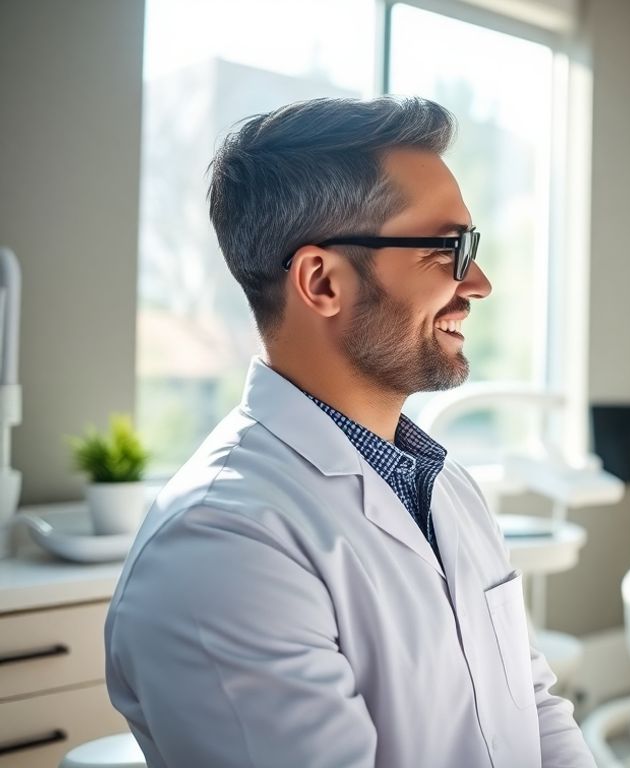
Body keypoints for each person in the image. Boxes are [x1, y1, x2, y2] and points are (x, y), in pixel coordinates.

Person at [104, 96, 594, 768]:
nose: (477, 282)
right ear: (322, 281)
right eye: (448, 249)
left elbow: (532, 706)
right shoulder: (221, 545)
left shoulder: (445, 486)